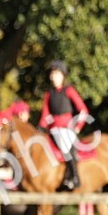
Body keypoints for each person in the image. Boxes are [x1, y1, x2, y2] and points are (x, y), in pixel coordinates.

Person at [39, 60, 89, 190]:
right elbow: (45, 113)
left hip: (66, 128)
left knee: (66, 147)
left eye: (56, 74)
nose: (53, 77)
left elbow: (83, 110)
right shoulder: (49, 94)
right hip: (53, 130)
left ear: (62, 76)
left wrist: (78, 126)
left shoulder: (69, 90)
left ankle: (75, 177)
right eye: (52, 74)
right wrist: (40, 128)